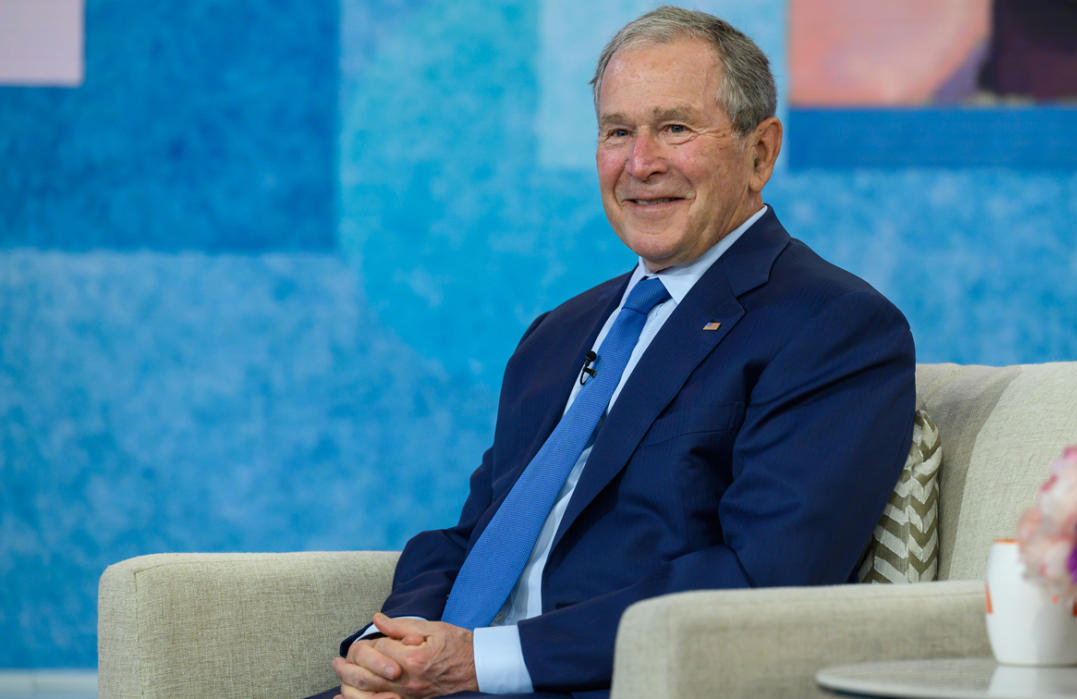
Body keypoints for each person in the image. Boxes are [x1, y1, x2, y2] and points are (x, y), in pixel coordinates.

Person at [310, 6, 915, 699]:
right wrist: (397, 644)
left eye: (676, 128)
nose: (641, 163)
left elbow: (762, 580)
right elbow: (473, 535)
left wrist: (483, 661)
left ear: (760, 152)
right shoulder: (558, 334)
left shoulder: (833, 326)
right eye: (618, 131)